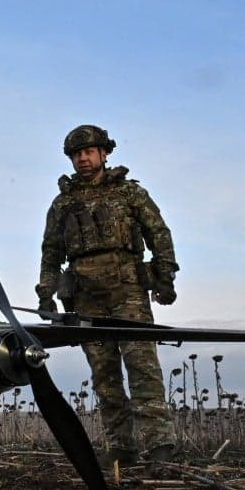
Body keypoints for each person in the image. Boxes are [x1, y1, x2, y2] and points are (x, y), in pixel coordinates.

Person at [35, 124, 179, 464]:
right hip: (85, 296)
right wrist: (46, 294)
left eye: (88, 152)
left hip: (127, 290)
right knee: (104, 376)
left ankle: (160, 447)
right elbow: (51, 252)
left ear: (104, 153)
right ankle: (121, 448)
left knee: (143, 368)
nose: (82, 159)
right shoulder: (63, 204)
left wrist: (165, 277)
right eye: (76, 154)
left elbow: (159, 234)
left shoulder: (130, 194)